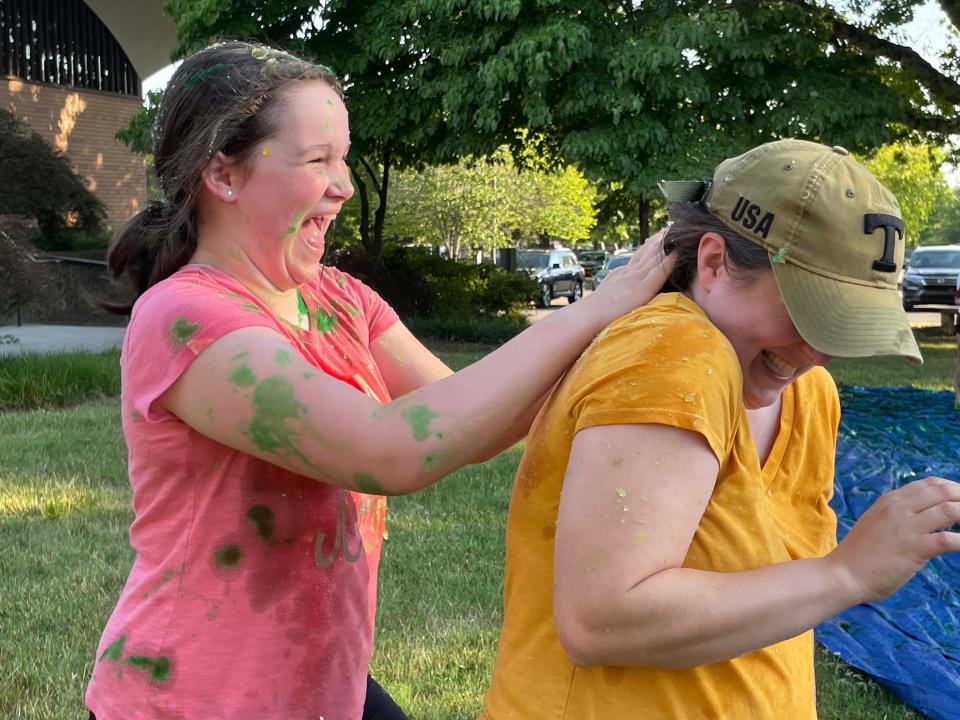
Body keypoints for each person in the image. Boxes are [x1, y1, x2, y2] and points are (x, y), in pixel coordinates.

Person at [83, 41, 674, 720]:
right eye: (317, 161)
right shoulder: (185, 317)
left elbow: (473, 420)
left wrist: (633, 336)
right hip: (193, 699)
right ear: (224, 173)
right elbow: (389, 450)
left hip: (324, 687)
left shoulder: (340, 300)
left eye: (343, 159)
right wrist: (602, 304)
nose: (344, 185)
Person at [481, 139, 960, 719]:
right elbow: (602, 618)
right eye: (809, 311)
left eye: (843, 326)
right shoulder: (673, 353)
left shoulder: (810, 393)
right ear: (711, 263)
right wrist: (846, 573)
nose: (818, 351)